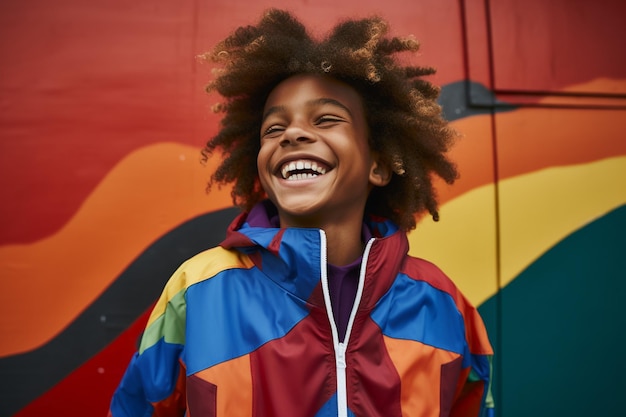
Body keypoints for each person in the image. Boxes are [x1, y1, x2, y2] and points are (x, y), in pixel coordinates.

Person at [108, 8, 494, 417]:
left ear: (378, 165)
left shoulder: (443, 303)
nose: (291, 133)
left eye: (327, 119)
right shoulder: (198, 290)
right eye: (274, 129)